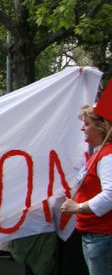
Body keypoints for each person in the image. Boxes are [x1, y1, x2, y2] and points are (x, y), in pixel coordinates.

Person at [61, 104, 112, 275]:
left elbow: (110, 195)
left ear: (102, 127)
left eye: (87, 123)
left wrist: (78, 207)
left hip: (102, 235)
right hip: (96, 235)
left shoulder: (107, 156)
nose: (83, 128)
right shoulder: (101, 153)